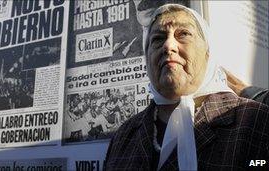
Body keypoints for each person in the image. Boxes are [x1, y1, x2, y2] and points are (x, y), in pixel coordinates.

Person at [105, 4, 269, 171]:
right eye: (158, 39)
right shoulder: (124, 136)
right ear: (147, 57)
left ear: (208, 53)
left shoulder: (255, 121)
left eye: (183, 34)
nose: (169, 46)